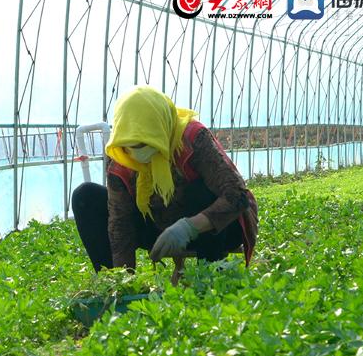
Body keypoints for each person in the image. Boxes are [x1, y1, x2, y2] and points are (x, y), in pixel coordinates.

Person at [72, 85, 258, 282]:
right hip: (160, 226)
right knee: (86, 196)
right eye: (130, 146)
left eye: (142, 144)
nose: (135, 152)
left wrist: (190, 227)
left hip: (217, 229)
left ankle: (208, 277)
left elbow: (237, 195)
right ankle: (112, 287)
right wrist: (124, 281)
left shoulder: (192, 137)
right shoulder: (120, 154)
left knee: (199, 190)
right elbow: (120, 222)